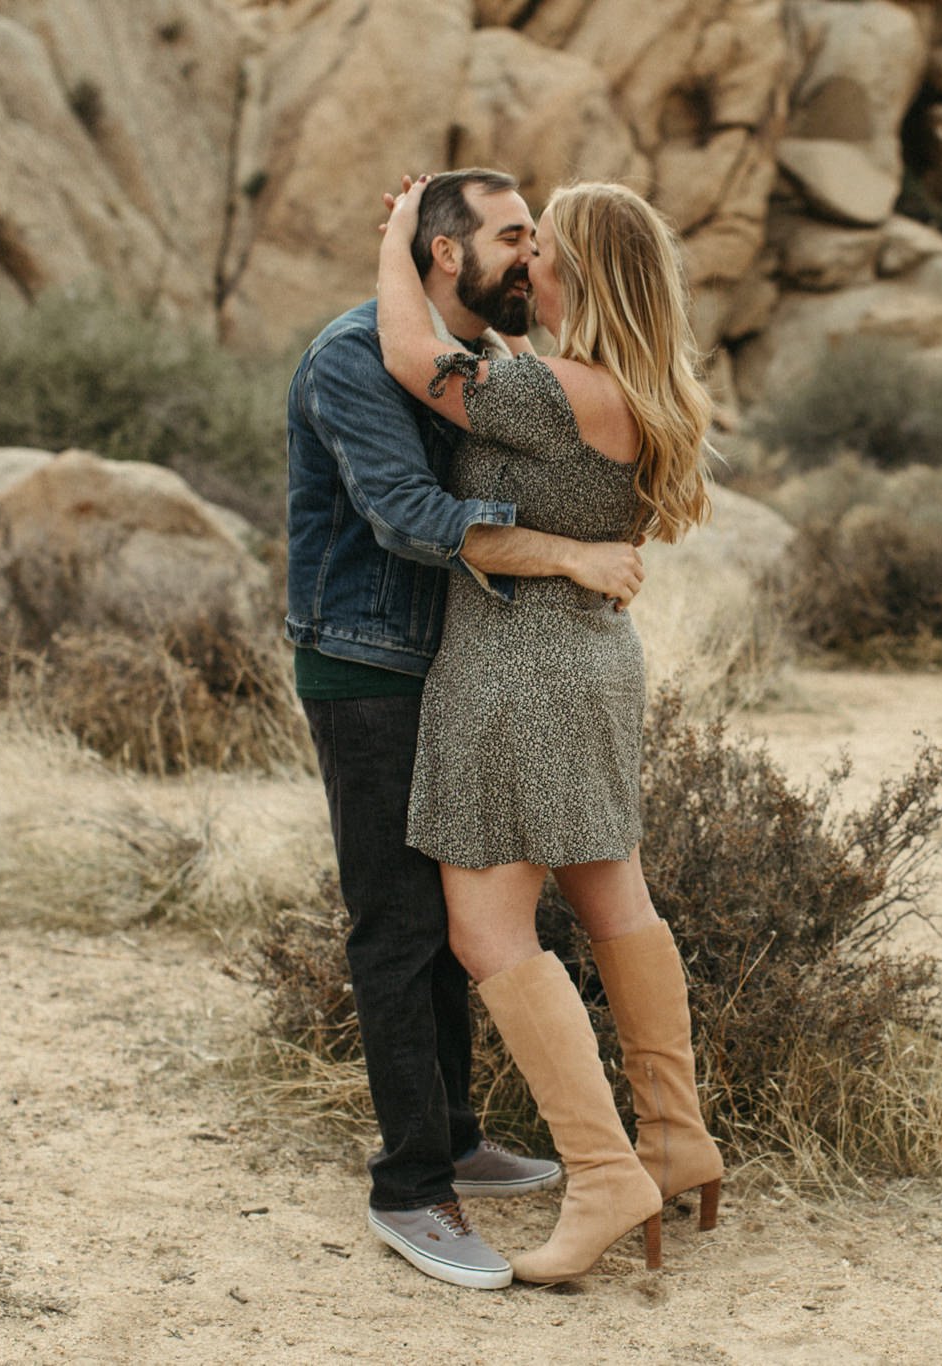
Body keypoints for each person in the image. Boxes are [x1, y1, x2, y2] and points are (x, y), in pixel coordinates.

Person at [284, 168, 650, 1292]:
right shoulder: (355, 358)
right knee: (397, 925)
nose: (531, 257)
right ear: (448, 254)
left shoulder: (481, 360)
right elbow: (410, 516)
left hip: (447, 670)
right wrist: (572, 555)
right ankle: (410, 1187)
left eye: (537, 239)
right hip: (366, 666)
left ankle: (452, 1135)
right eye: (512, 236)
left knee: (453, 920)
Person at [373, 173, 726, 1286]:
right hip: (593, 663)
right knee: (615, 897)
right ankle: (673, 1138)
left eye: (544, 253)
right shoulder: (637, 391)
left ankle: (604, 1173)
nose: (527, 266)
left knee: (488, 931)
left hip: (514, 669)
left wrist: (403, 228)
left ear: (583, 276)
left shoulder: (552, 394)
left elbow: (408, 352)